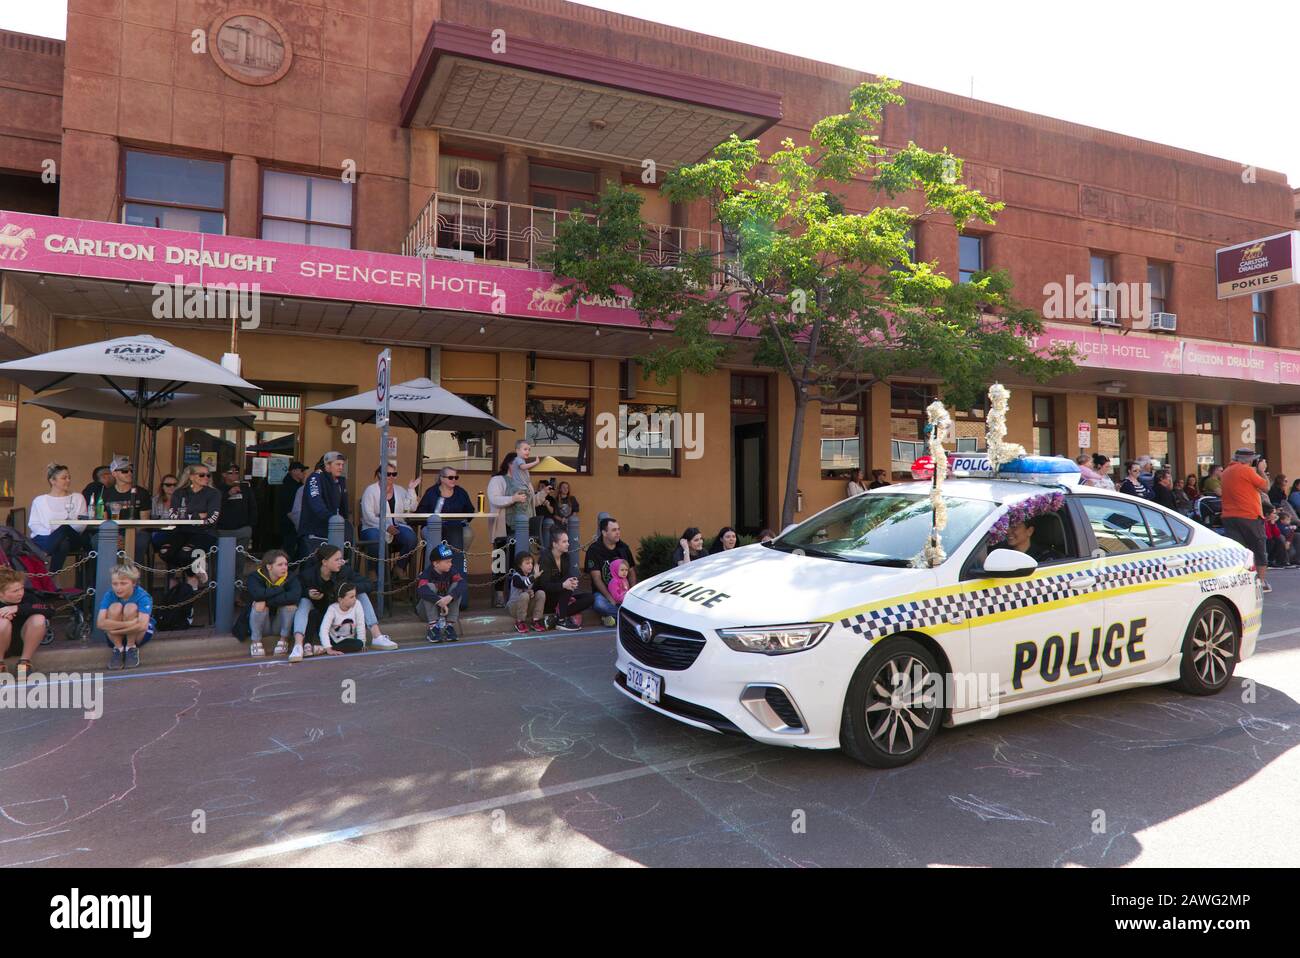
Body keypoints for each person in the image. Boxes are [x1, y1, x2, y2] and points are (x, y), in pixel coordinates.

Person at [291, 543, 395, 661]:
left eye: (341, 559)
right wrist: (308, 593)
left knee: (360, 594)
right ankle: (298, 645)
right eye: (337, 559)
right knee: (304, 602)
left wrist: (345, 589)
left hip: (339, 612)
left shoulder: (344, 571)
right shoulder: (308, 574)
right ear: (324, 562)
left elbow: (368, 584)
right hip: (319, 614)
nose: (341, 562)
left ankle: (377, 636)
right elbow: (295, 592)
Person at [416, 466, 474, 599]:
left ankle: (457, 590)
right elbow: (421, 512)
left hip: (456, 528)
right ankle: (434, 582)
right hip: (434, 528)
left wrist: (462, 518)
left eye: (456, 477)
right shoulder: (431, 492)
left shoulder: (461, 492)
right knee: (435, 533)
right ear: (441, 479)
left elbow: (470, 511)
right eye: (450, 477)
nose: (454, 480)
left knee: (465, 535)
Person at [1220, 448, 1271, 593]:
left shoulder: (1226, 472)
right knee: (1259, 549)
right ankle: (1260, 582)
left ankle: (1240, 581)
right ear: (1250, 460)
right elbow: (1266, 487)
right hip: (1249, 516)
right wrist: (1261, 471)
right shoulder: (1247, 471)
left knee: (1239, 551)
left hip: (1229, 516)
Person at [360, 463, 421, 576]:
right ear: (379, 474)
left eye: (394, 474)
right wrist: (386, 527)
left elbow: (411, 508)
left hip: (396, 525)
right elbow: (368, 516)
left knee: (411, 538)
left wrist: (411, 490)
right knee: (376, 539)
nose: (392, 477)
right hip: (372, 526)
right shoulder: (370, 490)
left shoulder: (400, 490)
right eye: (388, 474)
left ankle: (399, 567)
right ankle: (373, 571)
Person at [157, 464, 221, 569]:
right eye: (201, 475)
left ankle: (193, 577)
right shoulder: (179, 493)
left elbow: (212, 519)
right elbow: (173, 516)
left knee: (186, 554)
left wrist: (185, 514)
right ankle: (190, 574)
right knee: (166, 553)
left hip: (204, 532)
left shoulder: (214, 493)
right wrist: (197, 515)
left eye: (208, 475)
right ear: (191, 477)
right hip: (181, 531)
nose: (206, 477)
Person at [29, 462, 88, 573]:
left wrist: (60, 529)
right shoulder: (40, 500)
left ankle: (43, 555)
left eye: (69, 477)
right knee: (62, 543)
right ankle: (51, 577)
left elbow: (82, 525)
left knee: (64, 527)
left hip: (72, 537)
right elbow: (34, 524)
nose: (68, 480)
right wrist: (53, 533)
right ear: (52, 481)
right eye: (64, 478)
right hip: (45, 538)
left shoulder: (77, 498)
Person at [486, 452, 528, 607]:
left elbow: (530, 502)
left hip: (521, 527)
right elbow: (494, 499)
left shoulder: (523, 481)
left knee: (517, 562)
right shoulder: (497, 480)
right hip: (503, 527)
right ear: (511, 464)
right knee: (500, 562)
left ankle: (516, 594)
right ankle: (498, 596)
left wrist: (542, 494)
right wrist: (513, 499)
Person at [96, 562, 153, 670]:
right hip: (120, 635)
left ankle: (131, 647)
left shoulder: (143, 596)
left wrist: (115, 630)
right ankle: (119, 649)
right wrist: (128, 624)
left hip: (137, 635)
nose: (118, 588)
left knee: (130, 607)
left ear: (133, 583)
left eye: (123, 583)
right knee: (115, 607)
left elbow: (142, 626)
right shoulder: (109, 594)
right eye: (115, 583)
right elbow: (100, 623)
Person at [245, 549, 301, 658]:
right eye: (280, 565)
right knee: (259, 604)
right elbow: (257, 595)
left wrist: (268, 600)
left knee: (291, 605)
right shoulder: (255, 576)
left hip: (279, 625)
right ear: (269, 567)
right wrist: (278, 590)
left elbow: (294, 596)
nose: (284, 567)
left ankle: (283, 639)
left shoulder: (290, 577)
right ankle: (255, 641)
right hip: (261, 624)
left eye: (285, 564)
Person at [536, 529, 593, 631]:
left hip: (561, 598)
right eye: (564, 542)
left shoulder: (565, 556)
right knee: (567, 583)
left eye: (568, 541)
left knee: (590, 598)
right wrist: (563, 585)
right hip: (547, 598)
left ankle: (556, 617)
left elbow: (566, 577)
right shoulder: (546, 558)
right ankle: (561, 621)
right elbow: (544, 585)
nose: (568, 544)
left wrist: (573, 581)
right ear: (555, 544)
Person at [585, 516, 636, 627]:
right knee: (599, 604)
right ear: (604, 533)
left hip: (624, 590)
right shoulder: (594, 550)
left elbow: (631, 572)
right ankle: (627, 620)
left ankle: (614, 618)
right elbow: (596, 579)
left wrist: (632, 593)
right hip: (604, 593)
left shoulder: (623, 548)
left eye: (618, 529)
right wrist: (611, 599)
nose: (618, 533)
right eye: (614, 530)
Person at [0, 568, 50, 681]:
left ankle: (24, 665)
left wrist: (18, 608)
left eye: (21, 588)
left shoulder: (26, 596)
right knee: (2, 622)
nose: (20, 593)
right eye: (15, 591)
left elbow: (48, 608)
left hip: (22, 643)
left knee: (39, 618)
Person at [299, 452, 349, 556]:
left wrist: (343, 523)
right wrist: (333, 519)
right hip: (314, 533)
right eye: (338, 464)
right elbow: (316, 503)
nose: (341, 467)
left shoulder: (340, 481)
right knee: (312, 568)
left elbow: (343, 508)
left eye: (342, 465)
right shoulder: (315, 478)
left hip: (333, 532)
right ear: (327, 465)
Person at [417, 542, 467, 643]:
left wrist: (449, 597)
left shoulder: (451, 570)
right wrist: (439, 601)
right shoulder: (427, 573)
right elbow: (422, 590)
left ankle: (449, 626)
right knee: (429, 587)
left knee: (457, 586)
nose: (451, 564)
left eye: (451, 561)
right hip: (426, 612)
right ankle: (433, 628)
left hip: (445, 611)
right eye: (447, 562)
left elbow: (462, 583)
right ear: (435, 563)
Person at [318, 581, 369, 655]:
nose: (355, 599)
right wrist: (328, 648)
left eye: (355, 596)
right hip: (333, 639)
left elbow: (360, 624)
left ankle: (323, 649)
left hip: (347, 640)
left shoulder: (357, 604)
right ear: (340, 600)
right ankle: (327, 648)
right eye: (351, 597)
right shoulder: (332, 609)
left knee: (359, 643)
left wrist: (363, 642)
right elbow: (323, 629)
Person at [507, 552, 547, 633]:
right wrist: (534, 577)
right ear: (519, 565)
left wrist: (532, 592)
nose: (530, 565)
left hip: (527, 608)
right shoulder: (516, 576)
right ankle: (520, 622)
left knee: (540, 593)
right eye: (527, 563)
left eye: (531, 563)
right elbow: (522, 584)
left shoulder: (530, 577)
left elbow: (534, 589)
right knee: (524, 595)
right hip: (515, 608)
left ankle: (536, 621)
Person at [102, 455, 151, 521]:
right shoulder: (106, 494)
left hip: (134, 530)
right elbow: (104, 521)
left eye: (132, 470)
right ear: (114, 473)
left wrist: (131, 531)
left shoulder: (142, 493)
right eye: (125, 471)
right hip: (112, 530)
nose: (130, 473)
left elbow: (144, 523)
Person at [505, 439, 541, 526]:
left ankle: (520, 526)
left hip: (522, 488)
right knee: (522, 513)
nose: (528, 451)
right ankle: (521, 527)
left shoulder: (519, 460)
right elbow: (523, 467)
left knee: (523, 512)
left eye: (529, 449)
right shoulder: (518, 460)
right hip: (520, 489)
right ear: (517, 450)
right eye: (525, 449)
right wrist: (535, 462)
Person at [216, 463, 258, 533]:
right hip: (224, 529)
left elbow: (252, 506)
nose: (234, 474)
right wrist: (228, 494)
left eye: (236, 472)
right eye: (230, 472)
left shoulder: (245, 488)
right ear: (224, 474)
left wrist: (250, 525)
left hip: (244, 529)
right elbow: (215, 506)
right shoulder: (218, 489)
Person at [278, 460, 307, 555]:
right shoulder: (288, 487)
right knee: (289, 548)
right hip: (290, 524)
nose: (304, 473)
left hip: (297, 523)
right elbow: (288, 507)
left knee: (299, 549)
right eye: (301, 470)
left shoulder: (298, 486)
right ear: (294, 471)